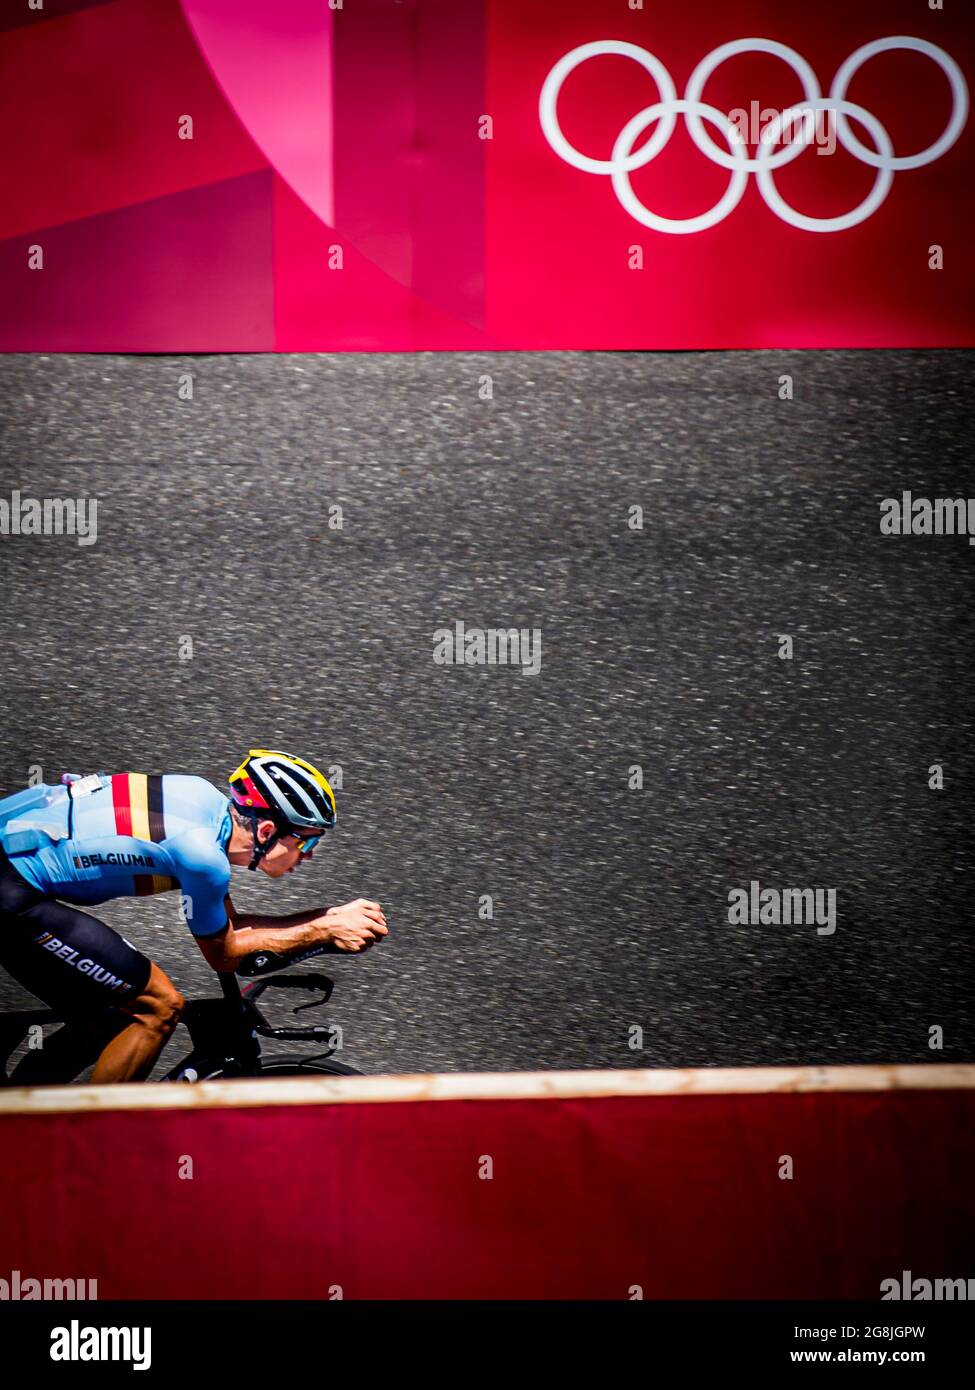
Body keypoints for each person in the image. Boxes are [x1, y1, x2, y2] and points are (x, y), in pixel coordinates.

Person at [0, 749, 387, 1084]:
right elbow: (225, 954)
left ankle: (23, 1121)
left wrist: (326, 919)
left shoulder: (204, 803)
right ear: (268, 830)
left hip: (12, 878)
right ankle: (92, 1143)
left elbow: (229, 929)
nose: (310, 855)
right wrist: (322, 927)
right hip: (11, 892)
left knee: (113, 1012)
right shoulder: (203, 857)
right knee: (159, 1007)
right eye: (308, 840)